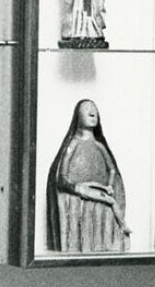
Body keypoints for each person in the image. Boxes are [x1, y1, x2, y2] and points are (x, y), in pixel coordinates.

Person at [46, 99, 129, 253]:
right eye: (87, 109)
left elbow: (112, 169)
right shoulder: (73, 144)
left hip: (100, 192)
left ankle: (119, 231)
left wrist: (110, 186)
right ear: (78, 117)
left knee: (107, 209)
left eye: (94, 109)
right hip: (79, 194)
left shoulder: (99, 146)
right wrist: (75, 188)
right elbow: (62, 176)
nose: (92, 112)